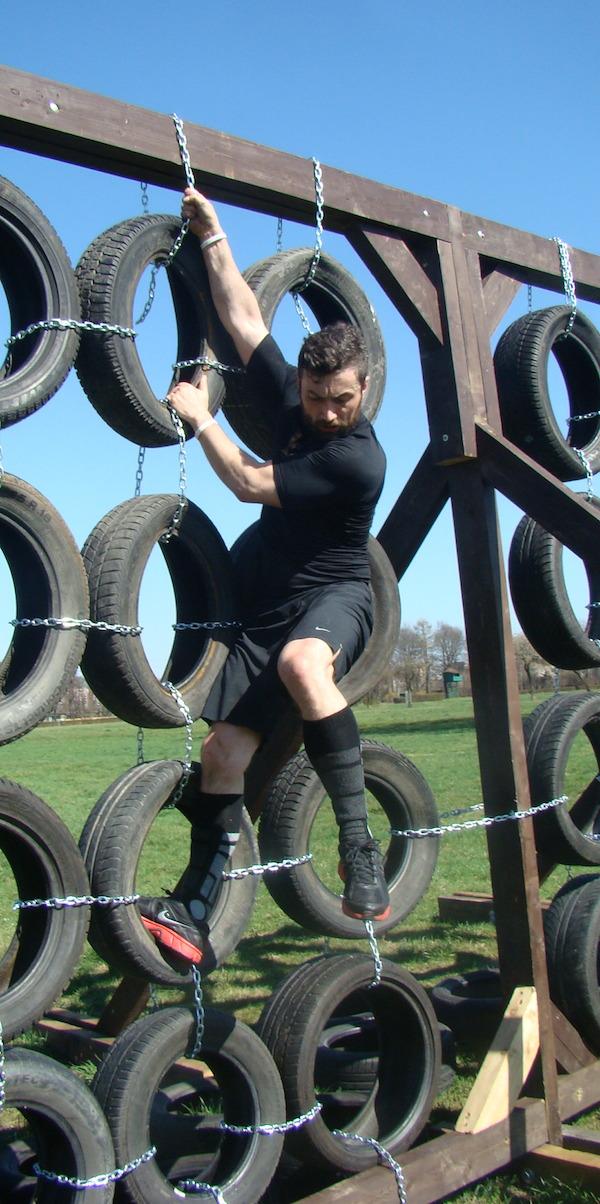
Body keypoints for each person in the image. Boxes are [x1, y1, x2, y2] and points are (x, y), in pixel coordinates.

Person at [137, 187, 389, 965]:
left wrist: (202, 416)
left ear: (364, 388)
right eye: (316, 398)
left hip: (336, 596)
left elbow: (248, 484)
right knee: (221, 756)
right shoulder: (297, 401)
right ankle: (194, 911)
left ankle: (360, 849)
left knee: (304, 664)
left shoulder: (357, 458)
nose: (326, 412)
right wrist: (214, 236)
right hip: (268, 602)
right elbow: (245, 318)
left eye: (340, 400)